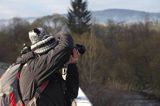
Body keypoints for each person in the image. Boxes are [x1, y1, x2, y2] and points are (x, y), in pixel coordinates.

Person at [18, 27, 77, 106]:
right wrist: (60, 34)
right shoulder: (34, 67)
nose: (55, 53)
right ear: (44, 51)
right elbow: (66, 46)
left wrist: (72, 65)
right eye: (53, 49)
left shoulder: (48, 72)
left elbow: (72, 94)